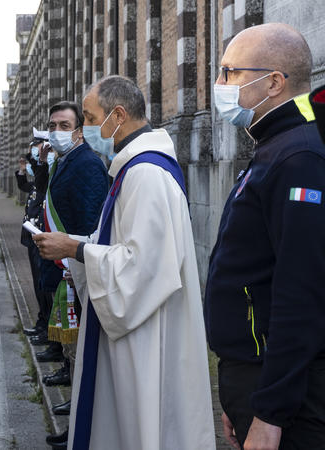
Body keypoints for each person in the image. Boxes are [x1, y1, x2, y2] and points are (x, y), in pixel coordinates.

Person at [32, 75, 215, 450]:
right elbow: (120, 246)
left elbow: (143, 267)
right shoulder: (131, 167)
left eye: (88, 117)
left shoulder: (146, 174)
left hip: (145, 333)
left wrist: (75, 250)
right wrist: (78, 245)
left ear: (117, 115)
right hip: (133, 326)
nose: (85, 128)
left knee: (142, 425)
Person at [204, 23, 325, 450]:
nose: (219, 85)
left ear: (274, 82)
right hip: (251, 376)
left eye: (229, 73)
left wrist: (270, 415)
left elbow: (301, 295)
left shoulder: (298, 157)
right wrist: (236, 390)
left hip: (284, 393)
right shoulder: (274, 145)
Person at [39, 100, 108, 448]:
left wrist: (74, 260)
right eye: (53, 125)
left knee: (84, 352)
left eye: (65, 125)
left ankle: (84, 431)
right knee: (75, 353)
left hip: (79, 266)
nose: (56, 131)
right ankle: (78, 426)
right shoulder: (63, 161)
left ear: (80, 131)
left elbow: (90, 219)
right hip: (69, 265)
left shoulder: (87, 164)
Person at [16, 130, 52, 344]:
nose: (33, 151)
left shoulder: (47, 173)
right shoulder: (40, 175)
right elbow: (27, 184)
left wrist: (42, 158)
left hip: (41, 236)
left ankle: (47, 328)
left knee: (44, 285)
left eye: (36, 146)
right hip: (32, 237)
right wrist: (28, 164)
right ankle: (42, 323)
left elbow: (41, 179)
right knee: (39, 285)